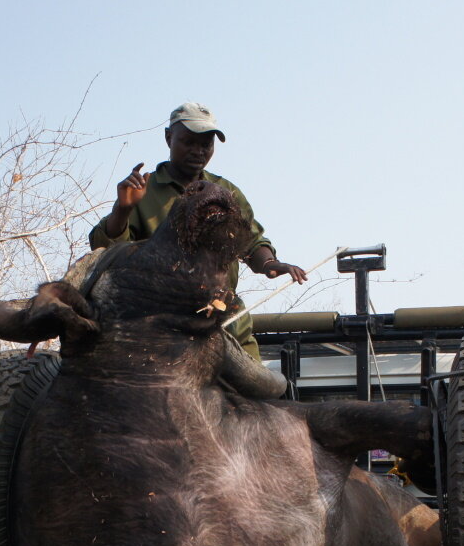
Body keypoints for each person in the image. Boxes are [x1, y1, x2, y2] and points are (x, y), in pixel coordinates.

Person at [88, 102, 306, 360]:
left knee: (263, 389)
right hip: (157, 324)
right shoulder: (142, 192)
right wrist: (123, 210)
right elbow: (107, 251)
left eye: (206, 144)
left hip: (224, 319)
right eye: (189, 142)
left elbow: (251, 241)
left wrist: (270, 263)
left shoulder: (225, 191)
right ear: (169, 138)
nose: (198, 151)